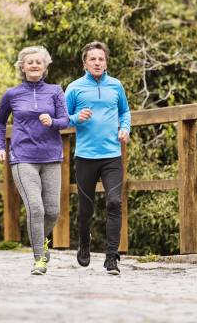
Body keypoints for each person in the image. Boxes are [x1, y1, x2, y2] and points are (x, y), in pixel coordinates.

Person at [0, 46, 69, 275]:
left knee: (53, 212)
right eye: (30, 62)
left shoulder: (56, 91)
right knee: (35, 208)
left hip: (51, 156)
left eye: (38, 62)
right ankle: (39, 258)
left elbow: (65, 120)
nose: (34, 65)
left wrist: (53, 122)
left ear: (45, 66)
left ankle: (40, 241)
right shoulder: (12, 94)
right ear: (22, 67)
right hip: (22, 157)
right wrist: (0, 147)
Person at [65, 41, 131, 275]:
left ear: (106, 62)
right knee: (86, 210)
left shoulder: (116, 86)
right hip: (85, 156)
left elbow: (124, 111)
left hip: (112, 155)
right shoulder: (74, 88)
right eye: (92, 59)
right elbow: (63, 118)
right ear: (85, 63)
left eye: (101, 59)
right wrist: (76, 117)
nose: (97, 62)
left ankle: (112, 256)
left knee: (114, 203)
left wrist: (125, 128)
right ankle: (84, 243)